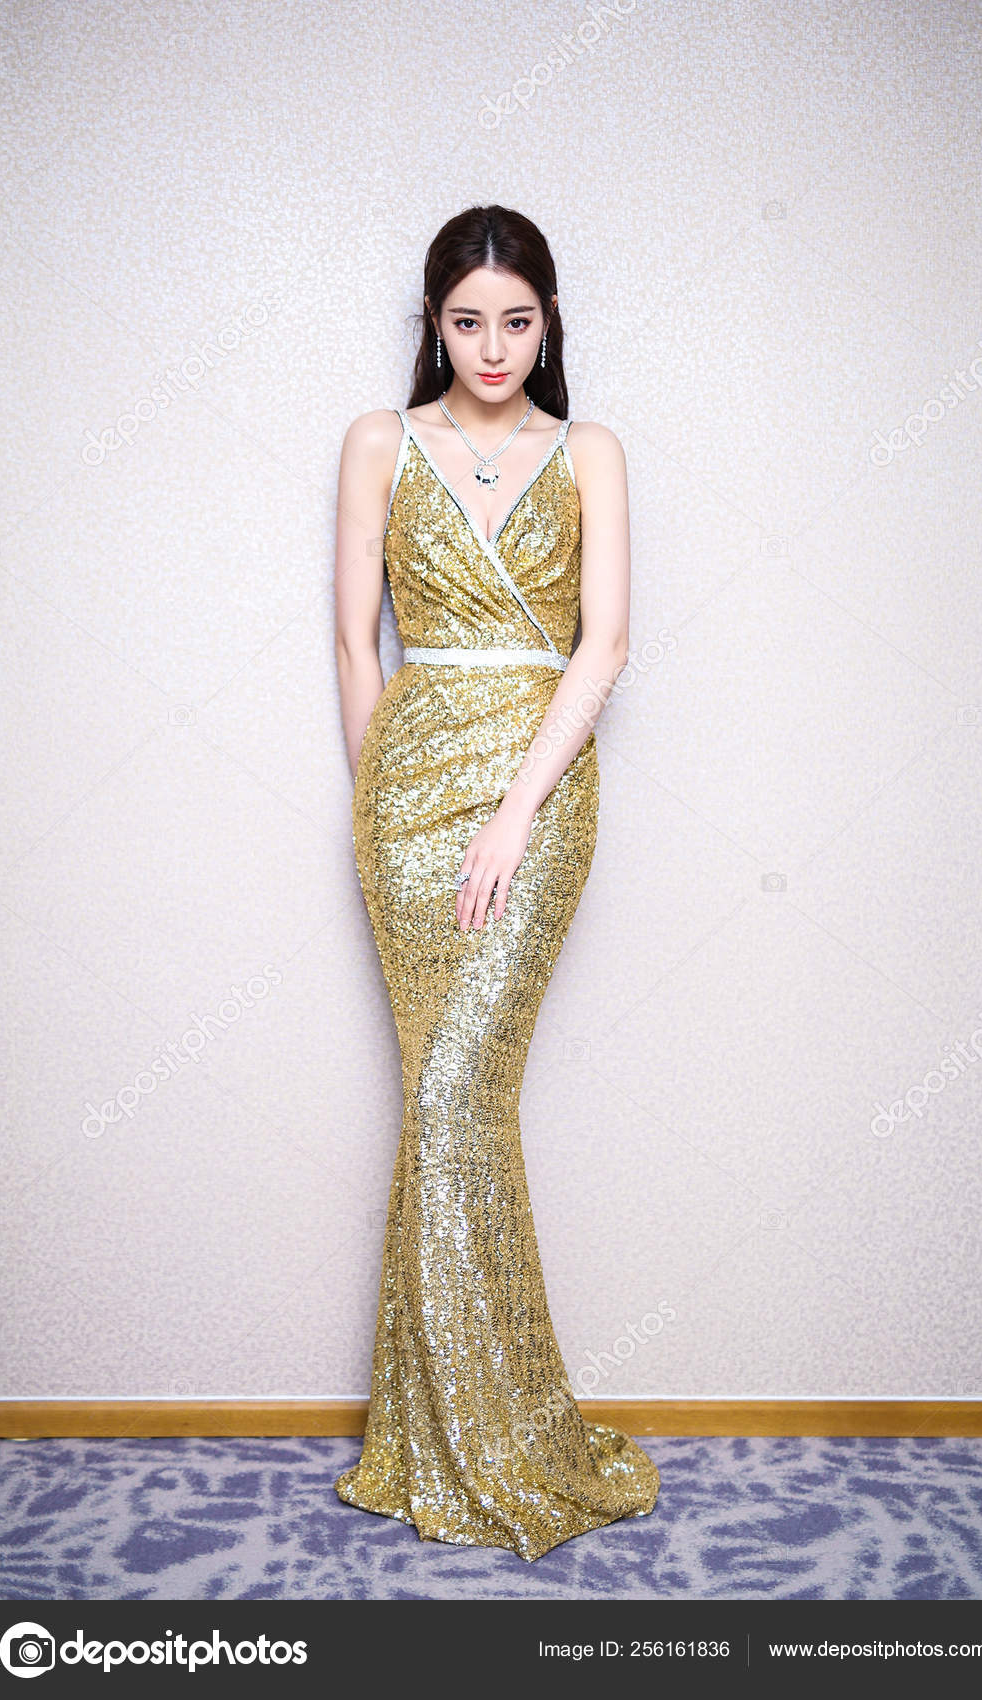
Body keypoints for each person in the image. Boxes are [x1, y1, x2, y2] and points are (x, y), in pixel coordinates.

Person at [333, 204, 659, 1561]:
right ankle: (435, 1436)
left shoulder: (590, 451)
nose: (491, 347)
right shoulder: (379, 441)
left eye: (516, 321)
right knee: (439, 1098)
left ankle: (497, 1438)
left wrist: (517, 812)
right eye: (467, 321)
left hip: (538, 792)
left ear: (548, 322)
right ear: (434, 323)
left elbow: (606, 645)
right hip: (409, 801)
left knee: (461, 1091)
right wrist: (382, 801)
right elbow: (356, 642)